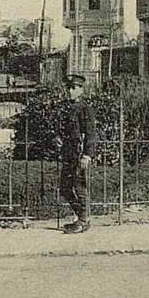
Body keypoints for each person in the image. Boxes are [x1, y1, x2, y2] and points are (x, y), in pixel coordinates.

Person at [58, 74, 96, 233]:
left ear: (82, 89)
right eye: (69, 88)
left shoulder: (85, 108)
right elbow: (67, 130)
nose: (70, 91)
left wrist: (87, 154)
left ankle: (83, 220)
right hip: (69, 152)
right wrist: (59, 138)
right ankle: (81, 216)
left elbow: (91, 134)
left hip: (80, 153)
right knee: (65, 188)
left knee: (79, 186)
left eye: (74, 88)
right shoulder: (68, 107)